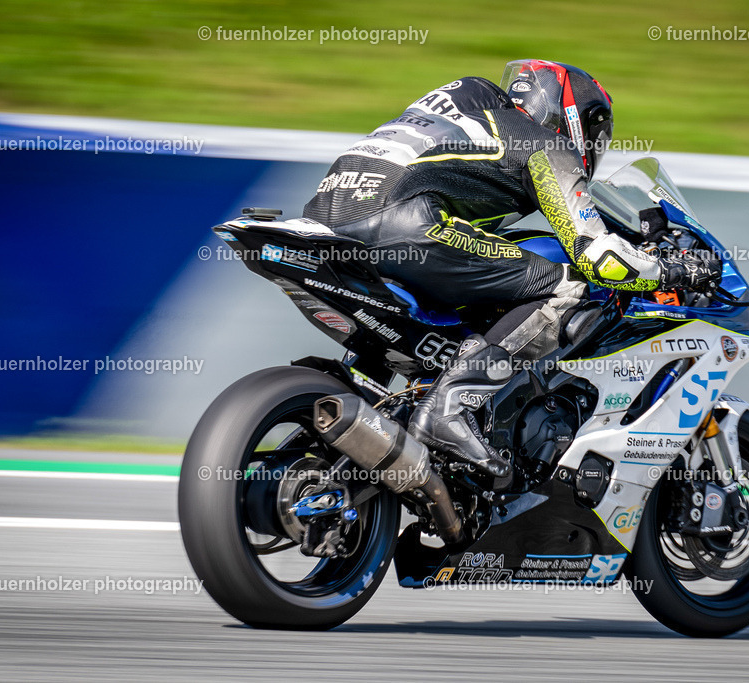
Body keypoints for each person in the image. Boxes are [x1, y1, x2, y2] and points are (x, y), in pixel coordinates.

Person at [303, 59, 720, 478]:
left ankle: (353, 394)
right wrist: (673, 271)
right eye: (597, 135)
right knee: (570, 285)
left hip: (325, 224)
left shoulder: (468, 118)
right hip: (404, 228)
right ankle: (449, 409)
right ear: (575, 117)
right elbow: (598, 258)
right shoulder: (543, 143)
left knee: (441, 306)